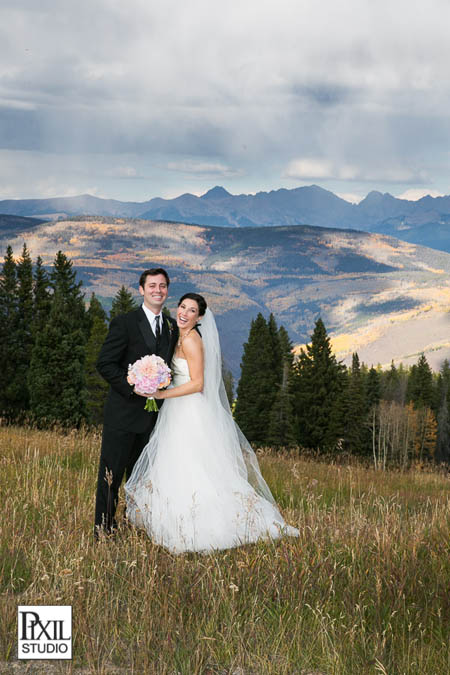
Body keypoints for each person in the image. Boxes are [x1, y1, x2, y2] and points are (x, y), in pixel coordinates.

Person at [125, 293, 299, 553]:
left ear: (200, 317)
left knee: (191, 464)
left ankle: (199, 522)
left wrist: (162, 393)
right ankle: (175, 516)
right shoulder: (178, 334)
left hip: (189, 410)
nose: (184, 313)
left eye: (191, 310)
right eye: (182, 307)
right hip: (175, 408)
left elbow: (198, 384)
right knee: (173, 462)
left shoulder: (193, 341)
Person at [94, 268, 178, 536]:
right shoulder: (125, 322)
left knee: (140, 478)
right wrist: (133, 387)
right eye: (152, 285)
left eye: (163, 286)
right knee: (112, 476)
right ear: (141, 290)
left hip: (153, 418)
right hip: (123, 414)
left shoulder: (171, 326)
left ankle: (133, 524)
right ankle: (104, 530)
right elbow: (105, 363)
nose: (158, 290)